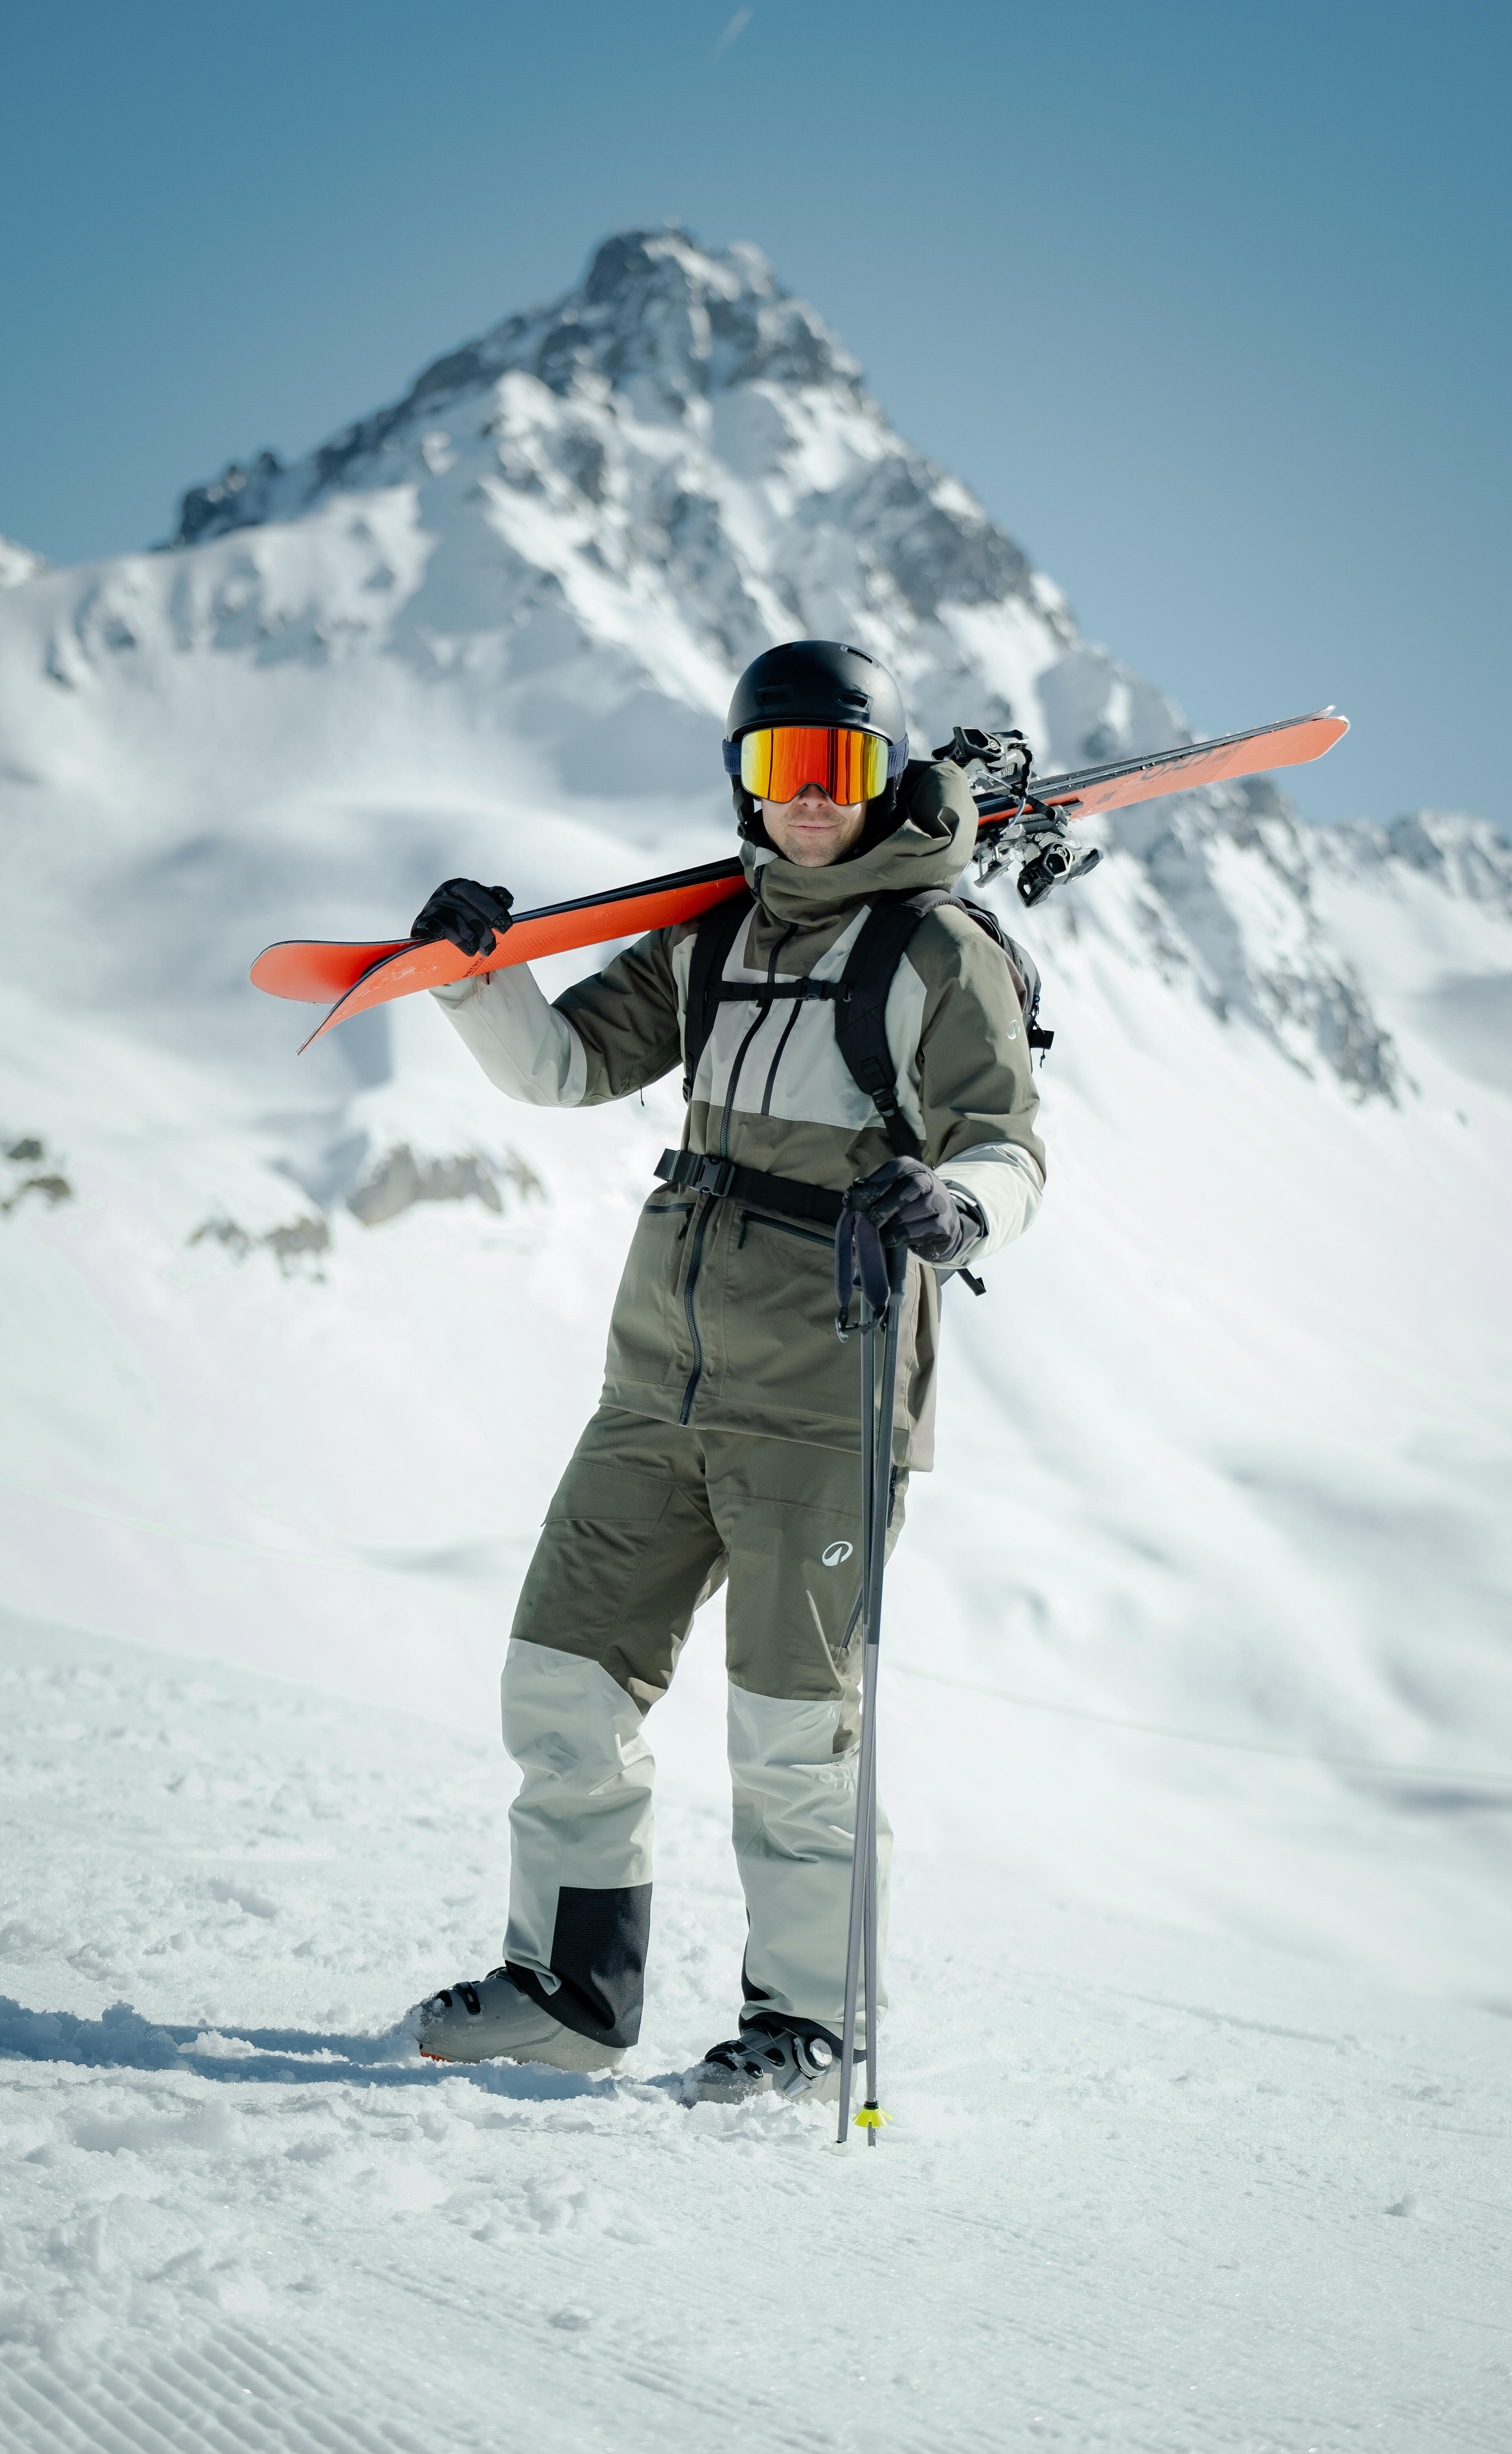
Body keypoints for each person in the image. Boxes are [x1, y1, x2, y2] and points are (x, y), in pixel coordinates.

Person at [409, 639, 1045, 2102]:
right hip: (656, 1386)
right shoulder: (715, 936)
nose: (808, 802)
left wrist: (960, 1210)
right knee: (560, 1681)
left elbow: (1008, 1141)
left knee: (793, 1738)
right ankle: (568, 1995)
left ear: (881, 777)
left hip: (824, 1401)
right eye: (778, 770)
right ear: (745, 785)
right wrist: (472, 978)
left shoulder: (935, 954)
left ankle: (811, 2029)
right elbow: (564, 1069)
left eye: (837, 769)